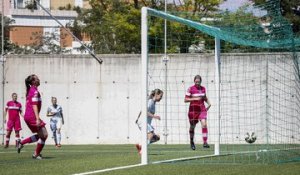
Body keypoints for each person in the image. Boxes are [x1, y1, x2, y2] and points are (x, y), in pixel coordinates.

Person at [17, 74, 48, 160]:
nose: (39, 79)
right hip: (32, 117)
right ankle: (36, 154)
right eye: (37, 78)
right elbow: (34, 105)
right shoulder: (34, 91)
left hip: (29, 116)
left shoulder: (30, 90)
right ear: (33, 82)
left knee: (41, 135)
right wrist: (37, 118)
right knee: (44, 135)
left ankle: (21, 143)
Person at [185, 75, 211, 150]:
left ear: (200, 81)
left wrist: (209, 103)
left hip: (202, 109)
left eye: (198, 82)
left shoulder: (203, 89)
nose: (197, 83)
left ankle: (205, 142)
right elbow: (185, 99)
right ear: (194, 81)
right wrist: (195, 98)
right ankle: (192, 141)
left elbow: (204, 97)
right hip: (193, 111)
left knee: (204, 124)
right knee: (192, 127)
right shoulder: (190, 89)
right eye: (196, 82)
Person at [136, 89, 163, 155]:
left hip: (145, 122)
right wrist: (155, 116)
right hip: (143, 121)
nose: (161, 98)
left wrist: (137, 118)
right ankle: (142, 151)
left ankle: (140, 145)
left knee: (157, 138)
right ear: (156, 95)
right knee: (150, 135)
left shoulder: (153, 103)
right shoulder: (150, 102)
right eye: (160, 96)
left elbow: (142, 109)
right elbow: (145, 111)